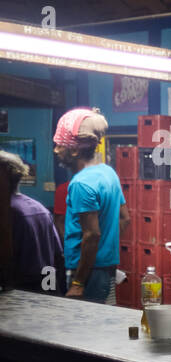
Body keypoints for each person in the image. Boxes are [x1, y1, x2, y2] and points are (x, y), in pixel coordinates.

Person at [56, 108, 128, 302]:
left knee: (85, 329)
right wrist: (106, 250)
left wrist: (79, 283)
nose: (56, 150)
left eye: (59, 145)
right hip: (105, 269)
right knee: (103, 324)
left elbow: (92, 234)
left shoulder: (81, 184)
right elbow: (124, 218)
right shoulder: (108, 172)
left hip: (87, 273)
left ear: (74, 150)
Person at [1, 152, 64, 294]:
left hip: (18, 292)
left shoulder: (7, 214)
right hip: (45, 288)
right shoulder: (39, 208)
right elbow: (58, 256)